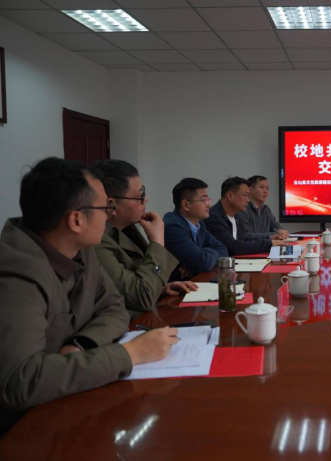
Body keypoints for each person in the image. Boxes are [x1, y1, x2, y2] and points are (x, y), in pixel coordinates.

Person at [0, 158, 178, 433]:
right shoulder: (17, 272)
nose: (109, 214)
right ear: (76, 220)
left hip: (69, 401)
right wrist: (130, 354)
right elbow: (21, 383)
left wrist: (82, 343)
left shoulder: (80, 249)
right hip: (24, 428)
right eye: (104, 207)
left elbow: (114, 307)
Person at [92, 160, 196, 318]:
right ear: (111, 205)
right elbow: (141, 297)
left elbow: (135, 283)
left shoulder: (126, 229)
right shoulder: (96, 241)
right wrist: (157, 242)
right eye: (140, 196)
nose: (145, 200)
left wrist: (159, 288)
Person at [163, 178, 228, 281]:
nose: (208, 204)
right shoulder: (172, 227)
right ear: (186, 205)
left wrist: (195, 263)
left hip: (193, 282)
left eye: (208, 199)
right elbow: (204, 263)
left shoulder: (199, 224)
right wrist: (198, 262)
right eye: (203, 200)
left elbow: (223, 249)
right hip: (175, 288)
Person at [205, 177, 288, 256]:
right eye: (245, 195)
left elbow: (245, 239)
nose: (248, 200)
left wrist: (271, 238)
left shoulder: (236, 215)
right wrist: (269, 243)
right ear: (230, 195)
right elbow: (234, 247)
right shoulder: (214, 217)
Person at [236, 175, 289, 241]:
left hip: (266, 246)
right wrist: (275, 234)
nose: (265, 191)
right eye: (262, 187)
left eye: (267, 188)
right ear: (250, 190)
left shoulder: (266, 210)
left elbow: (277, 227)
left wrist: (282, 232)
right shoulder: (243, 209)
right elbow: (247, 235)